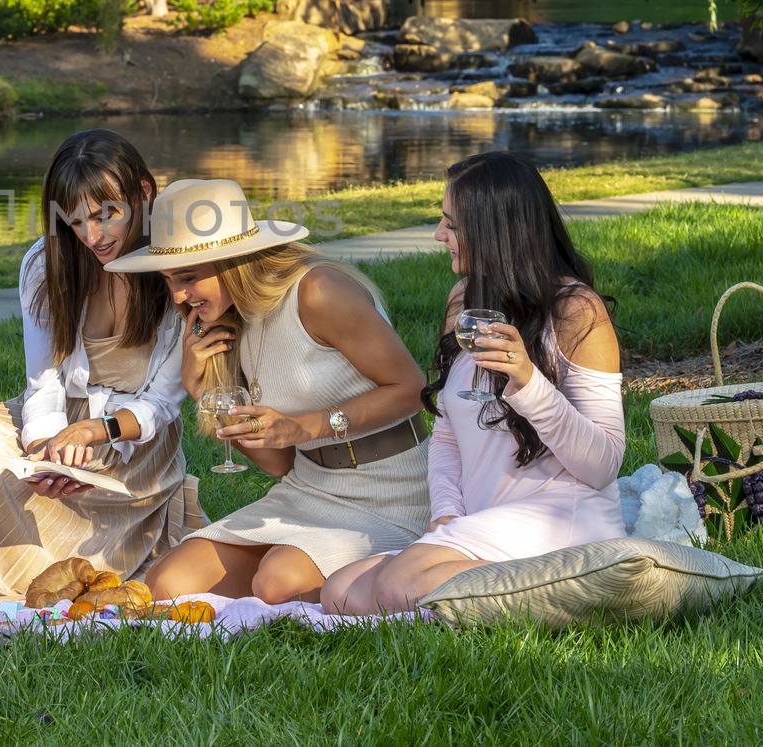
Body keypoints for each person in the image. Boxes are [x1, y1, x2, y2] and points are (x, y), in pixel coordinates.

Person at [322, 151, 624, 615]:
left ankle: (582, 577)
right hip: (487, 521)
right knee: (341, 592)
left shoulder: (576, 310)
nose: (439, 236)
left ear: (494, 229)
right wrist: (446, 514)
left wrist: (527, 381)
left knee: (398, 586)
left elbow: (603, 465)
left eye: (452, 225)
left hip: (563, 516)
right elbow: (446, 431)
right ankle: (506, 589)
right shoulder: (464, 300)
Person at [118, 179, 432, 605]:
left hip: (393, 491)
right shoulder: (230, 318)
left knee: (276, 582)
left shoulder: (318, 291)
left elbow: (411, 388)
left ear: (232, 261)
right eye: (169, 280)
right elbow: (280, 462)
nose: (177, 295)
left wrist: (305, 427)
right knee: (167, 583)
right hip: (309, 488)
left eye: (188, 277)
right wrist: (201, 389)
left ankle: (405, 559)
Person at [0, 129, 204, 600]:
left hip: (131, 435)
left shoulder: (175, 264)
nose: (92, 236)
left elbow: (162, 402)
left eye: (105, 216)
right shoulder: (46, 262)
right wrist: (43, 446)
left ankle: (21, 571)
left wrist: (96, 433)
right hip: (59, 421)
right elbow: (44, 383)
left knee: (54, 541)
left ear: (144, 192)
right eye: (76, 222)